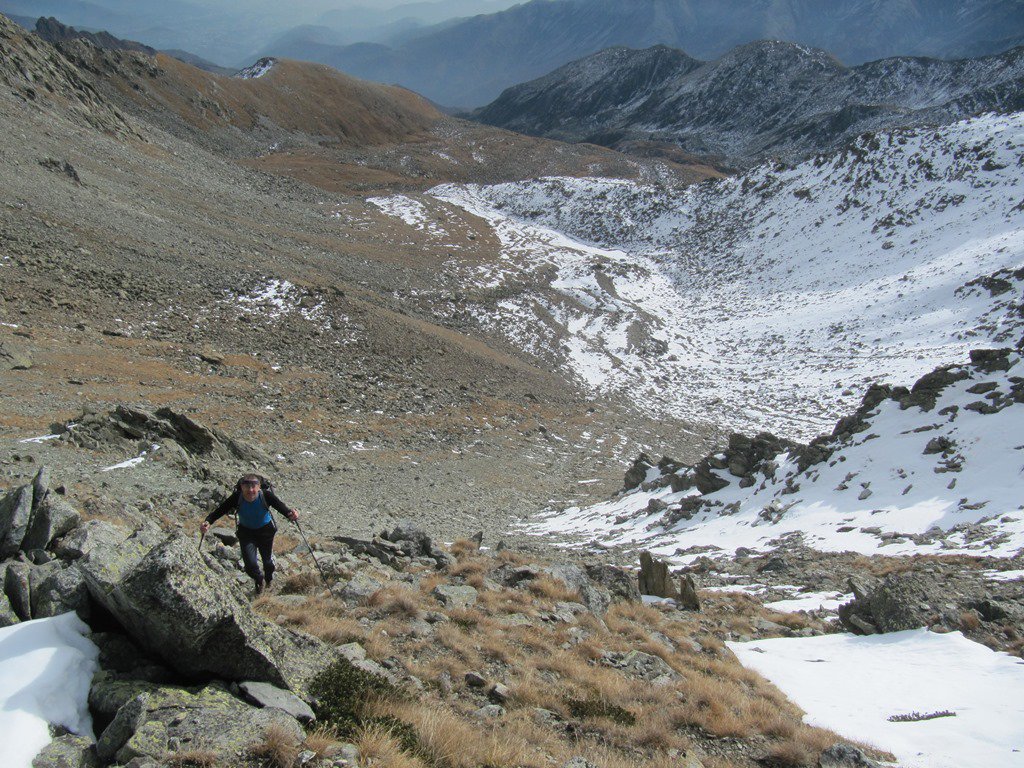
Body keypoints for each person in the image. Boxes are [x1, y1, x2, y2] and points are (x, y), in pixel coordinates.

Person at [200, 474, 299, 594]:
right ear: (241, 487)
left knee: (268, 563)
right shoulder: (237, 497)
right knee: (250, 566)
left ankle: (269, 579)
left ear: (259, 487)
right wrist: (208, 522)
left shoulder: (266, 495)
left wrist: (291, 514)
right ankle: (259, 579)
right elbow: (221, 510)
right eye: (247, 487)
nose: (250, 490)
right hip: (246, 533)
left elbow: (282, 507)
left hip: (265, 532)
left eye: (253, 487)